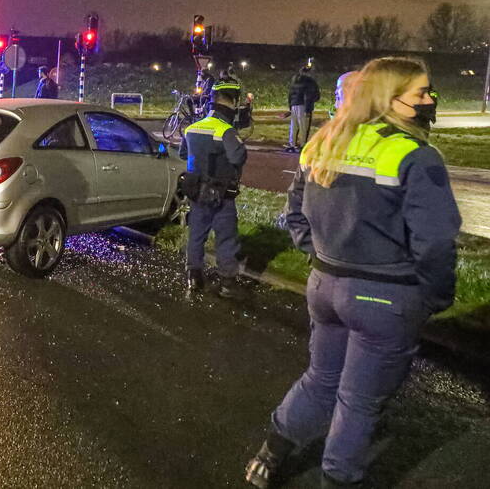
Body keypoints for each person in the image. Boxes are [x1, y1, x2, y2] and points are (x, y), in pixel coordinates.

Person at [244, 57, 460, 489]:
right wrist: (434, 297)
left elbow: (295, 216)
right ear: (390, 99)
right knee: (358, 401)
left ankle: (269, 456)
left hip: (325, 286)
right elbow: (435, 244)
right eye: (421, 92)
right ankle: (338, 479)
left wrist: (320, 255)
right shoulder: (415, 155)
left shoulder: (325, 142)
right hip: (386, 296)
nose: (429, 99)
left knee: (320, 379)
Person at [179, 81, 247, 297]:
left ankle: (194, 278)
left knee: (196, 235)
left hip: (196, 192)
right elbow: (238, 157)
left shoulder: (192, 128)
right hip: (221, 194)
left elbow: (183, 154)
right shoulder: (225, 130)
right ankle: (227, 284)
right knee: (226, 237)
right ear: (233, 101)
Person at [286, 63, 321, 152]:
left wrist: (290, 105)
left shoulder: (294, 80)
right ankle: (303, 145)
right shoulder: (309, 81)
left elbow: (290, 93)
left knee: (294, 126)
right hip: (303, 105)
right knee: (303, 127)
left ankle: (291, 144)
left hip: (294, 104)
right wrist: (308, 108)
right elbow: (309, 95)